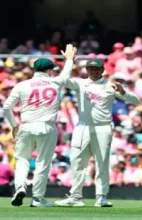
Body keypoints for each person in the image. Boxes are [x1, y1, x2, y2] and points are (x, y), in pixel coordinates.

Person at [55, 58, 139, 207]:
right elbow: (62, 80)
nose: (93, 71)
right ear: (86, 70)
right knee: (77, 161)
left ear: (102, 70)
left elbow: (136, 101)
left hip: (103, 127)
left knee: (102, 162)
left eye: (96, 69)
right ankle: (75, 196)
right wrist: (69, 60)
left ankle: (101, 197)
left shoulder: (110, 86)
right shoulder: (80, 83)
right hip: (83, 126)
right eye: (90, 69)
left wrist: (123, 92)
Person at [3, 44, 77, 207]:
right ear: (49, 70)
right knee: (43, 163)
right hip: (47, 127)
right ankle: (37, 198)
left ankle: (20, 188)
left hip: (26, 126)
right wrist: (70, 59)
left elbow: (7, 108)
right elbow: (66, 73)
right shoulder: (56, 82)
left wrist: (14, 125)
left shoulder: (21, 85)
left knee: (22, 160)